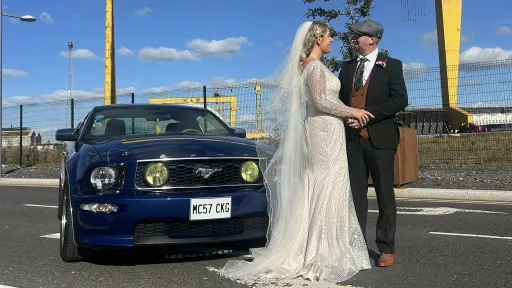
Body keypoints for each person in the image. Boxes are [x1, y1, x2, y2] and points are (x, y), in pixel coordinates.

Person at [220, 21, 372, 284]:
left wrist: (346, 117)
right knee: (325, 184)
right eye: (329, 35)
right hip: (322, 133)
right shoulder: (313, 67)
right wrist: (353, 111)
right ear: (317, 39)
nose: (332, 39)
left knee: (330, 184)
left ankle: (328, 247)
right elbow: (320, 101)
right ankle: (318, 251)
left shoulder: (316, 66)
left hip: (329, 128)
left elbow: (328, 102)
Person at [338, 20, 409, 267]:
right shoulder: (346, 68)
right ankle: (356, 248)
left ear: (373, 39)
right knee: (355, 196)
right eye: (354, 35)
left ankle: (386, 248)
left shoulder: (392, 66)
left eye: (358, 36)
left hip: (380, 139)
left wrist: (366, 114)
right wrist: (348, 116)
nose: (353, 39)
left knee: (384, 195)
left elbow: (400, 100)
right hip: (352, 139)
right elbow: (340, 101)